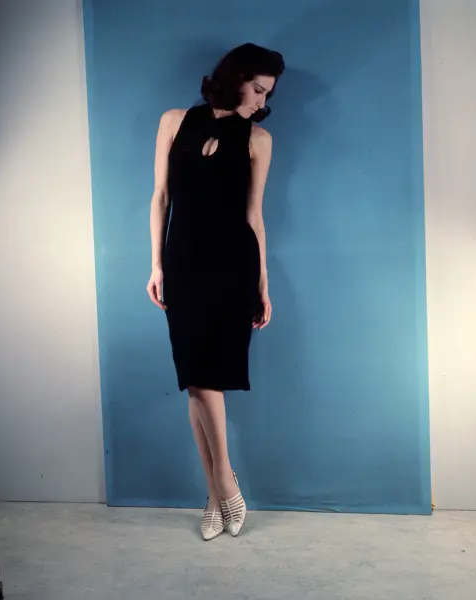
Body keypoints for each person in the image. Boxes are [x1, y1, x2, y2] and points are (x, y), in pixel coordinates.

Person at [146, 43, 285, 540]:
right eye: (258, 89)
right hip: (183, 264)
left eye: (268, 94)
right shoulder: (174, 121)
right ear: (237, 77)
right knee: (195, 377)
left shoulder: (259, 139)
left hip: (232, 267)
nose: (262, 101)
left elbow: (254, 216)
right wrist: (156, 264)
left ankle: (216, 490)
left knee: (207, 379)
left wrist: (263, 283)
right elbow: (161, 197)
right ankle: (223, 484)